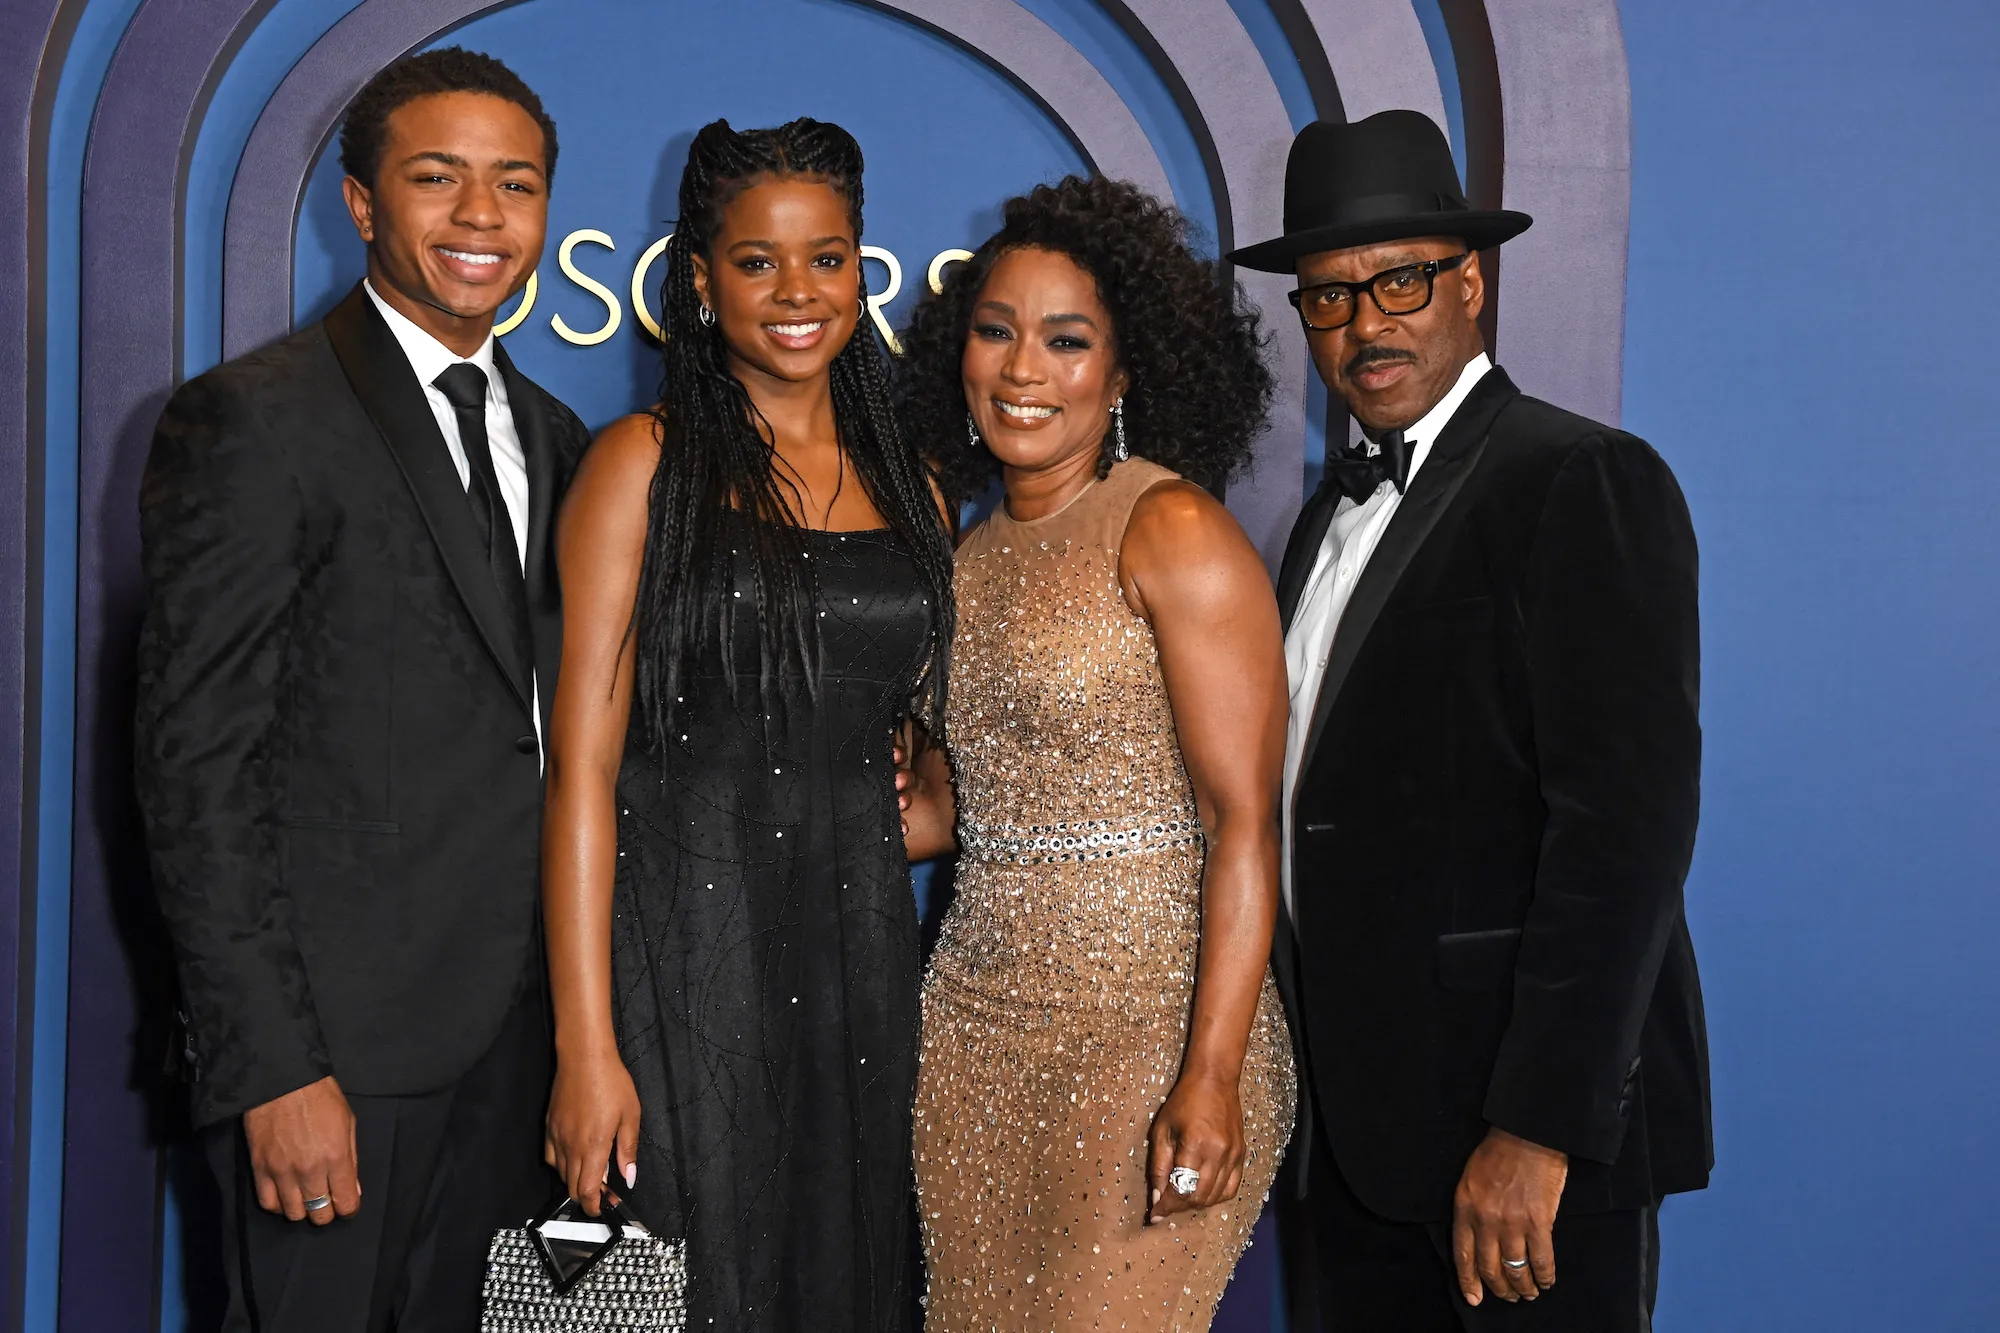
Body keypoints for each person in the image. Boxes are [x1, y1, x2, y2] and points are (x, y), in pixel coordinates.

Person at [1227, 109, 1711, 1331]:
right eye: (1328, 299)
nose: (1364, 323)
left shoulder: (1579, 479)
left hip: (1513, 1152)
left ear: (1470, 282)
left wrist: (1536, 1129)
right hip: (1347, 1143)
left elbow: (1623, 836)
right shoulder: (1317, 522)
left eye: (1399, 280)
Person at [134, 49, 581, 1332]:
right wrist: (272, 1067)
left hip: (519, 1047)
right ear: (362, 203)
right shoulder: (255, 420)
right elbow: (194, 767)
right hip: (333, 1059)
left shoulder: (555, 437)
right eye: (437, 180)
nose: (481, 218)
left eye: (515, 184)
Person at [539, 118, 955, 1332]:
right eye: (757, 261)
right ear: (702, 278)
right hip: (682, 963)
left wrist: (899, 814)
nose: (796, 293)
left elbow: (937, 745)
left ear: (859, 270)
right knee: (692, 1285)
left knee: (847, 1276)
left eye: (826, 259)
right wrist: (584, 1044)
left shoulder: (916, 480)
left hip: (859, 969)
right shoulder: (641, 466)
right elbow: (582, 772)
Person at [893, 175, 1296, 1331]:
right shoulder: (966, 555)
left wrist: (1209, 1072)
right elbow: (956, 810)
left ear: (1123, 374)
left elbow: (1240, 825)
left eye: (1064, 342)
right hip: (970, 1028)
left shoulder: (1169, 529)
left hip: (1150, 1031)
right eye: (994, 331)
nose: (1021, 371)